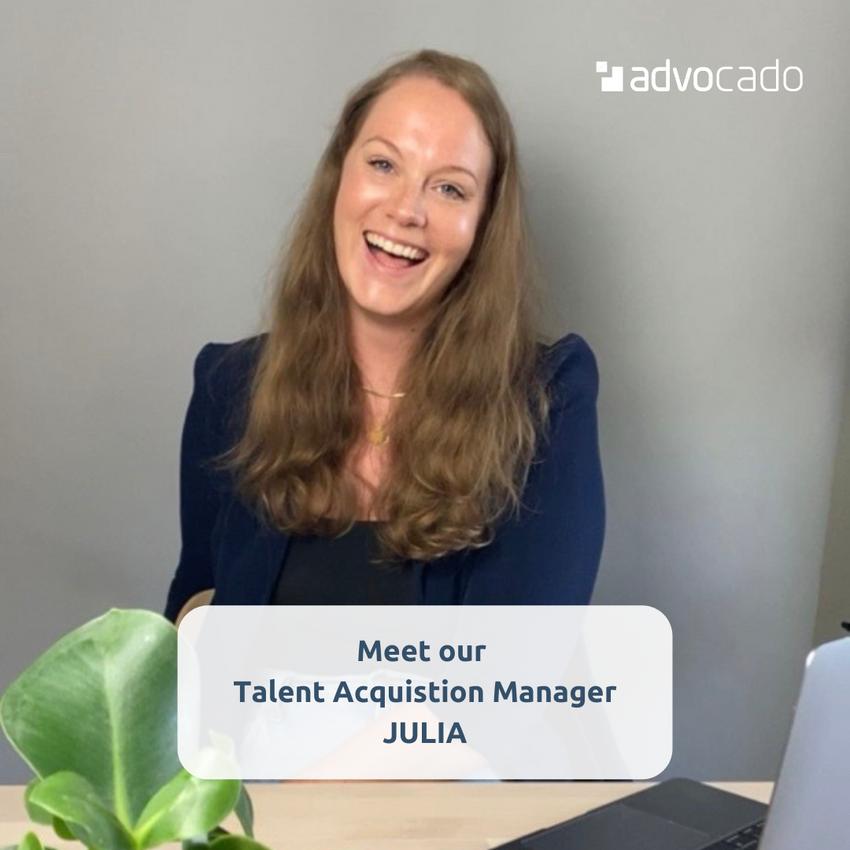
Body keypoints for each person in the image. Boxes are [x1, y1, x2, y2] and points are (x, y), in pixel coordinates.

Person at [165, 49, 604, 625]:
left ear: (483, 227)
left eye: (450, 189)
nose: (406, 210)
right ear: (338, 177)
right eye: (383, 164)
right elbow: (189, 627)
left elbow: (518, 665)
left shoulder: (547, 402)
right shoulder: (228, 388)